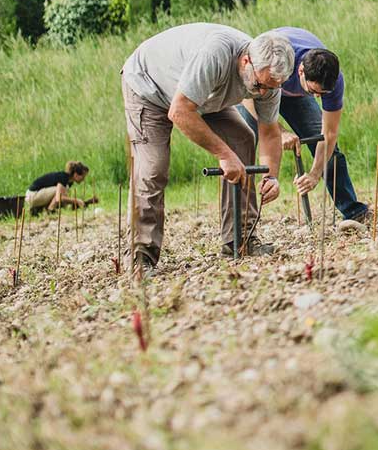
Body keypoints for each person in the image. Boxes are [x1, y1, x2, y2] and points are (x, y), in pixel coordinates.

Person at [121, 24, 294, 269]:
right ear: (246, 61)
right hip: (149, 87)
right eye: (259, 86)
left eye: (272, 87)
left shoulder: (268, 79)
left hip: (201, 97)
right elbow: (180, 111)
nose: (263, 92)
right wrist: (223, 155)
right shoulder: (216, 54)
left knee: (242, 139)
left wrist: (271, 176)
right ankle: (141, 257)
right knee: (153, 167)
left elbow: (269, 132)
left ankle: (240, 239)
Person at [236, 27, 374, 231]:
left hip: (294, 94)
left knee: (326, 147)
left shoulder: (333, 82)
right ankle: (243, 228)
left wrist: (314, 174)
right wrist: (280, 132)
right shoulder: (275, 63)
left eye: (322, 94)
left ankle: (354, 211)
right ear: (300, 71)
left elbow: (329, 134)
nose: (318, 97)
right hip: (258, 86)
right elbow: (248, 98)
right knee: (244, 143)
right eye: (313, 92)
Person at [25, 161, 97, 214]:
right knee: (59, 193)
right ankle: (50, 210)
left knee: (64, 195)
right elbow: (59, 198)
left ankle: (40, 209)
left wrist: (86, 202)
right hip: (33, 195)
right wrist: (77, 200)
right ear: (76, 175)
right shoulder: (63, 178)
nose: (83, 179)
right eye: (83, 176)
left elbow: (64, 201)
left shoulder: (69, 182)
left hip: (37, 195)